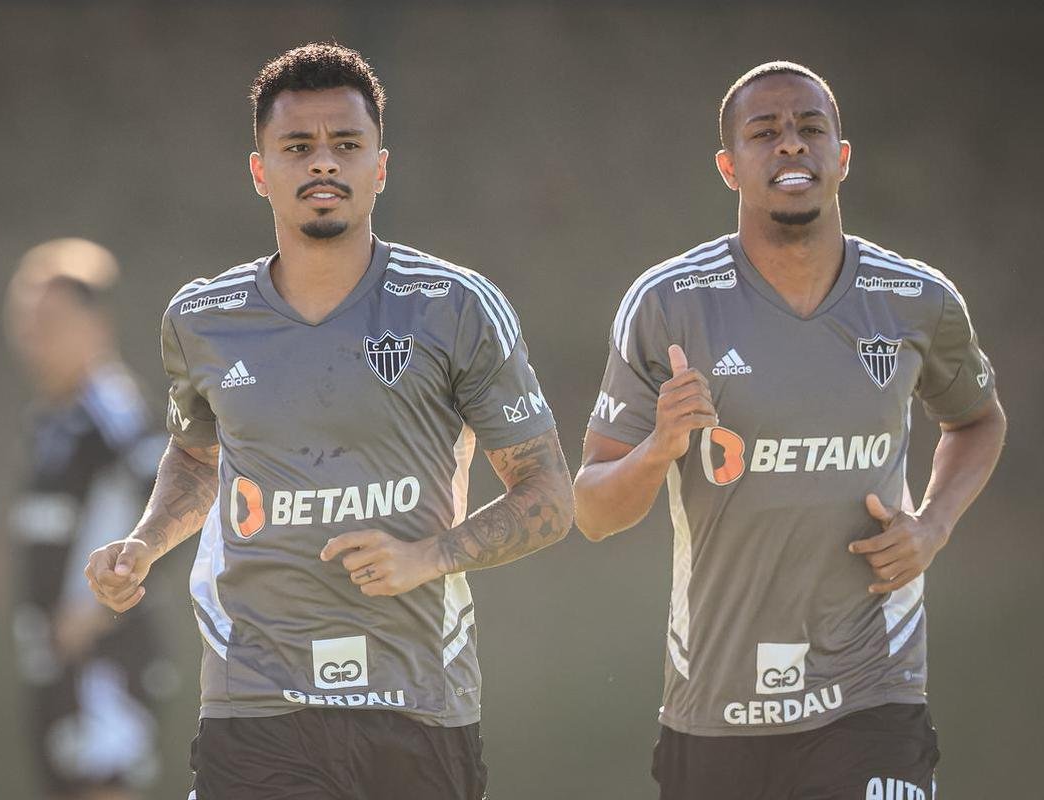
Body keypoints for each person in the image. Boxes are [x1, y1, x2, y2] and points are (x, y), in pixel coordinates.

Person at [85, 43, 573, 800]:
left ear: (380, 165)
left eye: (346, 145)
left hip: (416, 702)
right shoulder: (202, 318)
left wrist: (431, 555)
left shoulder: (455, 305)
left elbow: (547, 496)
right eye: (297, 147)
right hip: (256, 702)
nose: (323, 164)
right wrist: (145, 545)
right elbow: (195, 457)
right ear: (260, 171)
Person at [573, 62, 1006, 799]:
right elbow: (592, 510)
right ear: (729, 166)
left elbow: (977, 419)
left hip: (875, 688)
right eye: (764, 133)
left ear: (842, 157)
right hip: (714, 706)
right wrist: (660, 448)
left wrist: (932, 525)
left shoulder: (916, 299)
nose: (790, 146)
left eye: (810, 129)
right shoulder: (668, 303)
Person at [5, 239, 171, 800]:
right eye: (24, 319)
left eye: (49, 320)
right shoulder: (51, 420)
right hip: (54, 665)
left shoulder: (114, 411)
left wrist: (94, 610)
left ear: (95, 324)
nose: (31, 336)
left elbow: (175, 502)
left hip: (104, 661)